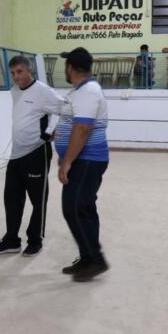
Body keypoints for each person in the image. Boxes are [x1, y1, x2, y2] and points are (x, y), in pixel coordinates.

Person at [0, 56, 64, 257]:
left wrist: (49, 130)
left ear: (29, 70)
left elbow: (65, 108)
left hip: (37, 152)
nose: (16, 77)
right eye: (13, 73)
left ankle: (35, 239)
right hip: (16, 155)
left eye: (20, 72)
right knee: (11, 199)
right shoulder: (14, 91)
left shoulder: (43, 91)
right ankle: (12, 240)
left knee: (38, 200)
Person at [54, 48, 110, 283]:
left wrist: (67, 161)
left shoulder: (88, 91)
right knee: (84, 208)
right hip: (82, 159)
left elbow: (82, 128)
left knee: (74, 208)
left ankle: (95, 259)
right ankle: (88, 257)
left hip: (87, 160)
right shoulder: (80, 91)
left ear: (70, 68)